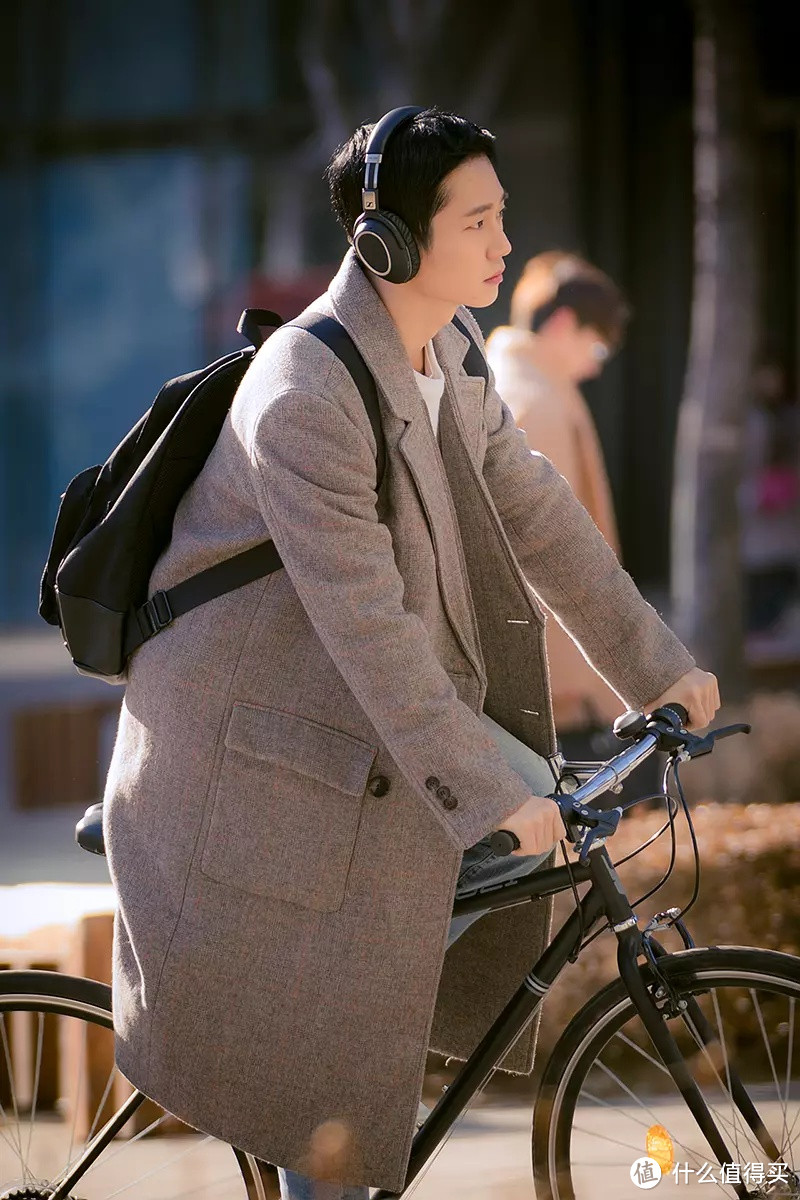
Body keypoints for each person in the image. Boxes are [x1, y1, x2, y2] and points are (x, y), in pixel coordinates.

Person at [103, 107, 719, 1199]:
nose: (500, 245)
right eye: (475, 221)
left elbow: (537, 514)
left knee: (535, 832)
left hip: (332, 712)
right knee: (334, 1022)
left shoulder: (449, 349)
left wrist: (656, 667)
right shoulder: (304, 395)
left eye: (501, 218)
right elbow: (368, 627)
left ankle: (360, 1038)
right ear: (388, 241)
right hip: (244, 753)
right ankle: (332, 1072)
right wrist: (482, 787)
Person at [486, 252, 630, 753]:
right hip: (553, 689)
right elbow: (548, 554)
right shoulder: (538, 402)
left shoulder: (506, 383)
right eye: (599, 348)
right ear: (565, 323)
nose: (594, 366)